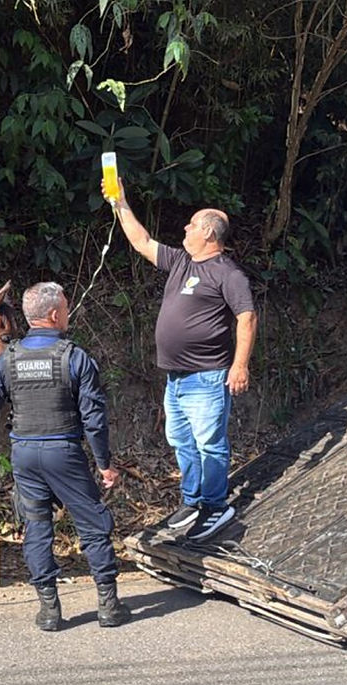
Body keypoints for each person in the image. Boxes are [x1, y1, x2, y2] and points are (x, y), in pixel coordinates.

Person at [106, 178, 258, 542]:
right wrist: (120, 202)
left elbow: (247, 318)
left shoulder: (228, 273)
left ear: (207, 231)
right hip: (176, 379)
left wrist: (239, 365)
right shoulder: (180, 261)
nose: (185, 228)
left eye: (191, 224)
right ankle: (192, 501)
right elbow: (141, 241)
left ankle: (216, 506)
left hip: (207, 376)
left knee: (210, 443)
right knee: (181, 442)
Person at [0, 281, 131, 631]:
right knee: (92, 525)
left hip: (25, 455)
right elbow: (94, 418)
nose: (67, 312)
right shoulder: (75, 357)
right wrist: (105, 464)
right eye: (65, 306)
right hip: (64, 453)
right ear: (53, 314)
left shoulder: (8, 359)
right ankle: (108, 605)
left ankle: (49, 610)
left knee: (37, 527)